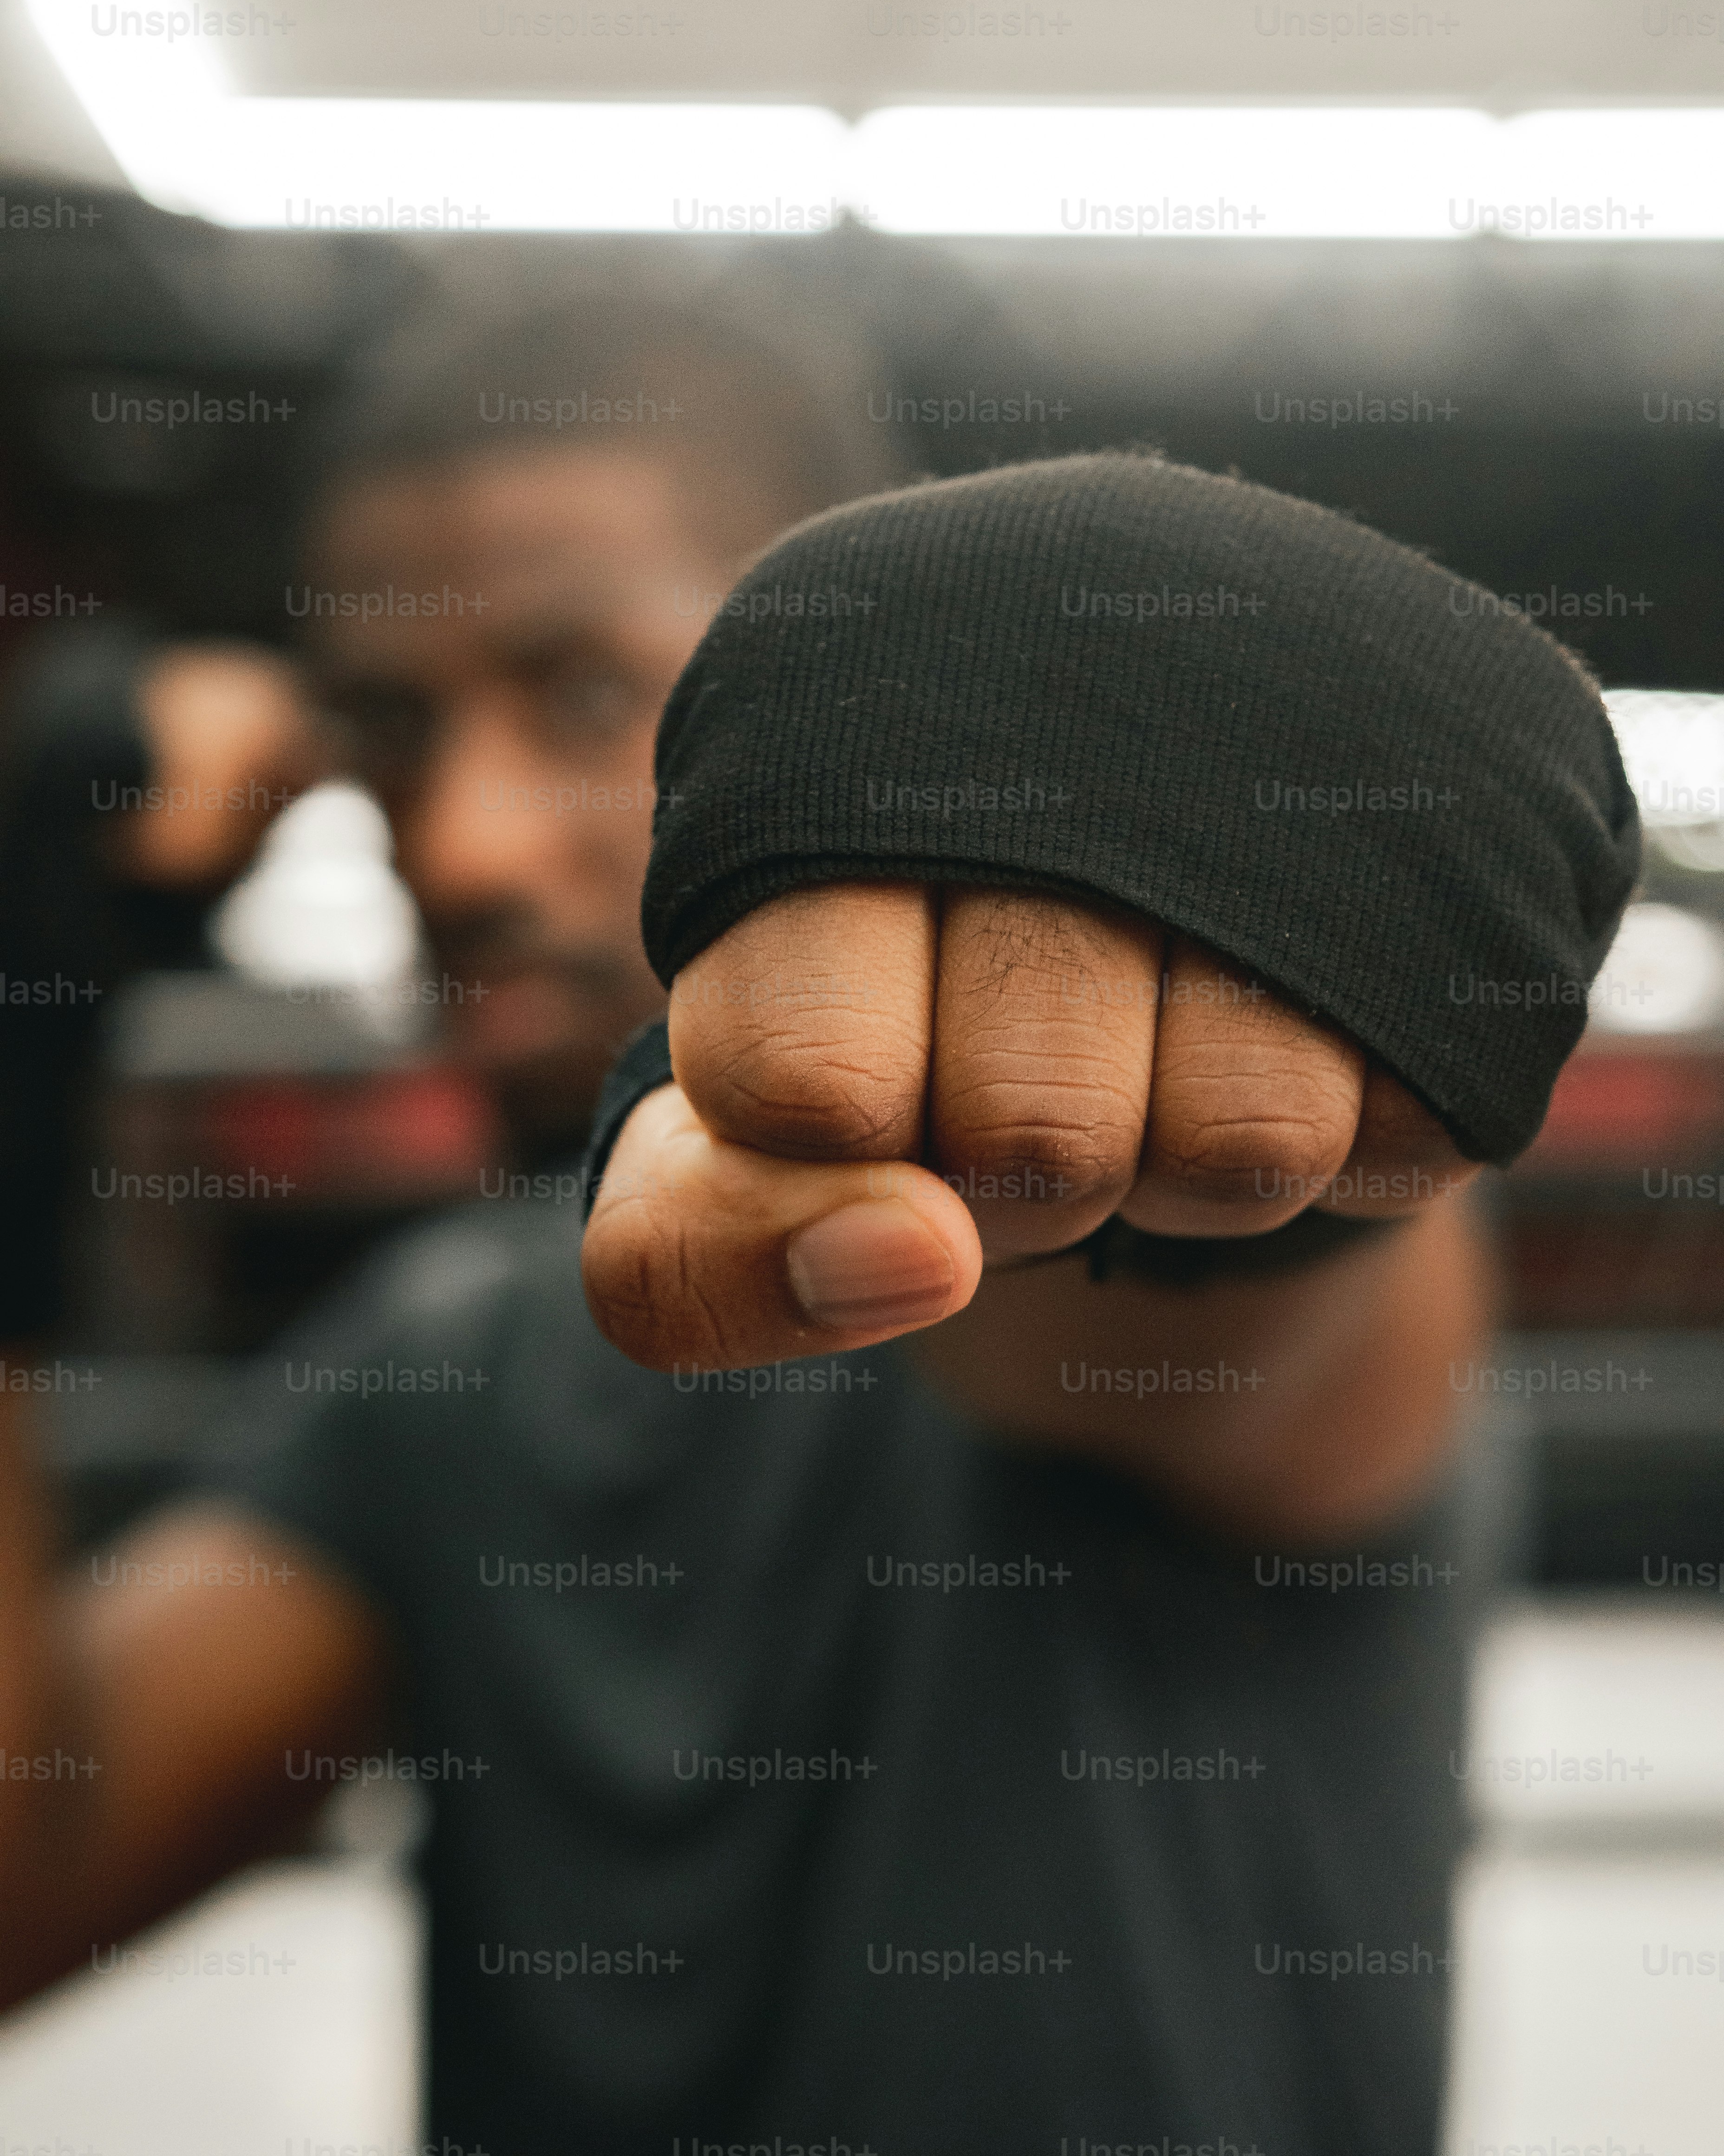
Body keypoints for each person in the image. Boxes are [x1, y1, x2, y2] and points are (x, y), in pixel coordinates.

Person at [0, 293, 1636, 2156]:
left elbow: (1250, 1285)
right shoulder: (432, 1356)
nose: (453, 849)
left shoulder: (1086, 1294)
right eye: (387, 731)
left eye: (585, 693)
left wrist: (1221, 948)